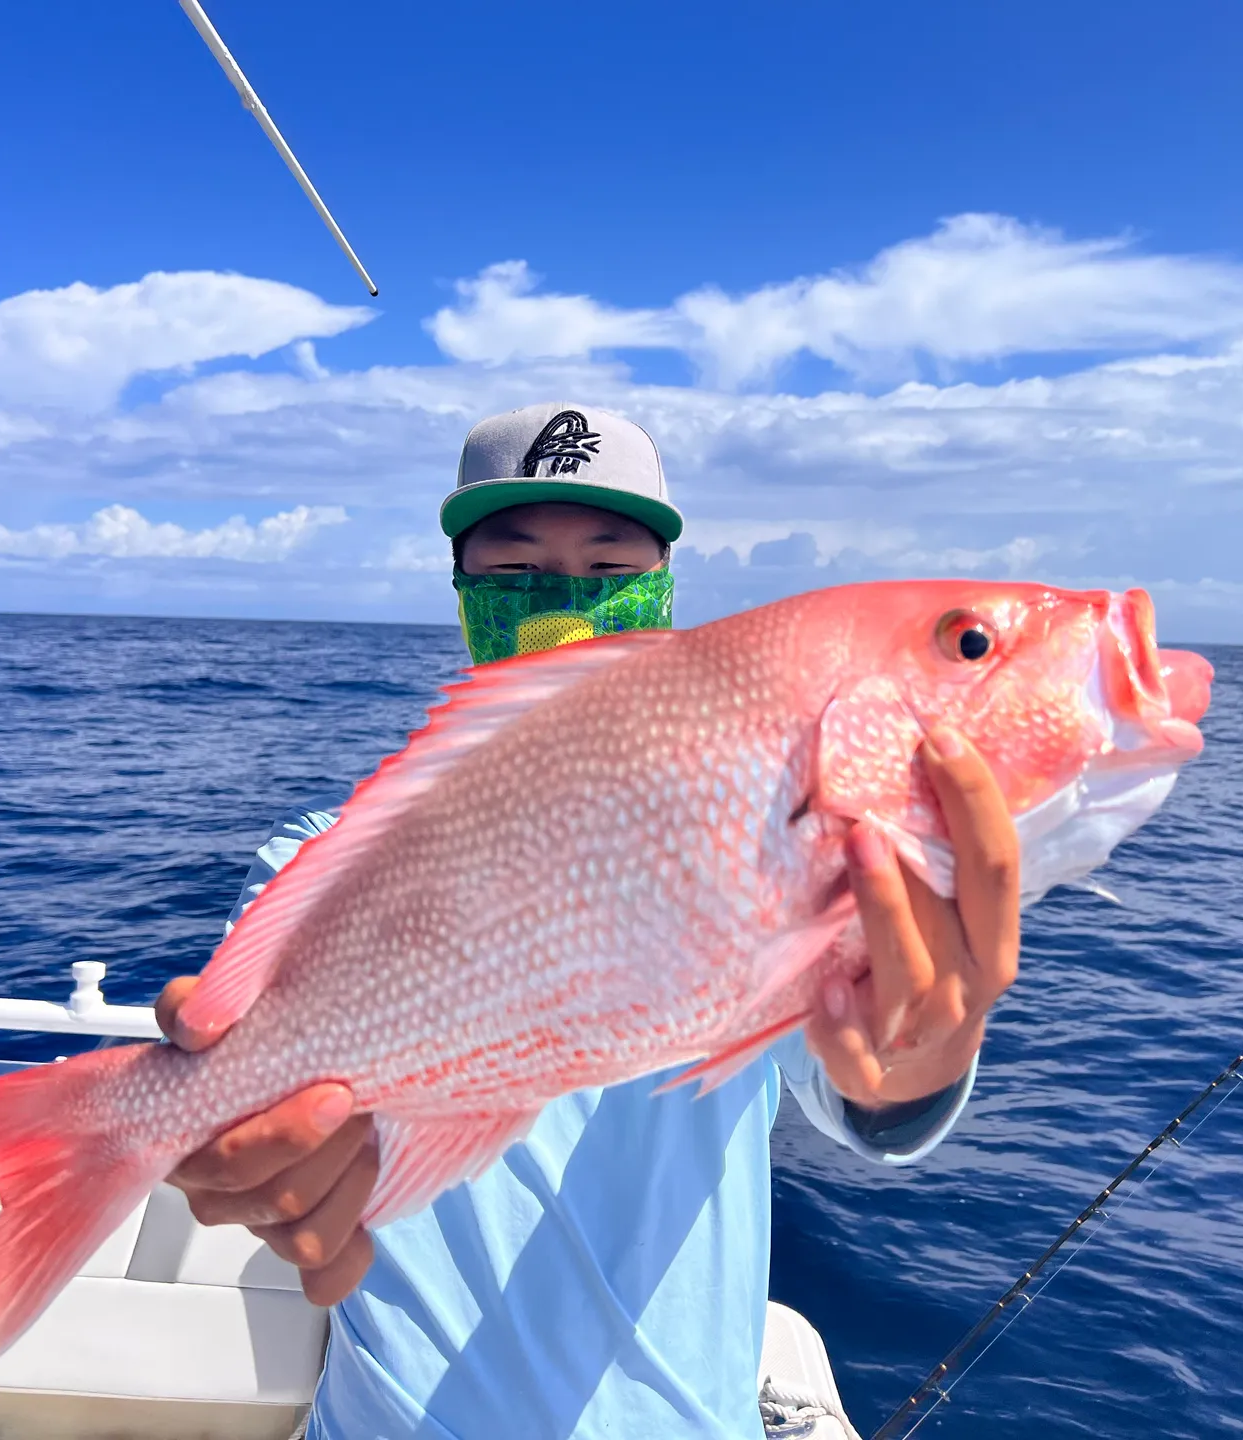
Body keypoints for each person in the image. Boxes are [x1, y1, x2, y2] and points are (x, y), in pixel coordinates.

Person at [152, 403, 1022, 1438]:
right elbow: (258, 1099)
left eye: (609, 572)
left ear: (662, 595)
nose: (563, 604)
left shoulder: (765, 849)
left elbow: (860, 1090)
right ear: (466, 594)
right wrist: (246, 1153)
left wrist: (913, 1063)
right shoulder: (316, 862)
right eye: (516, 573)